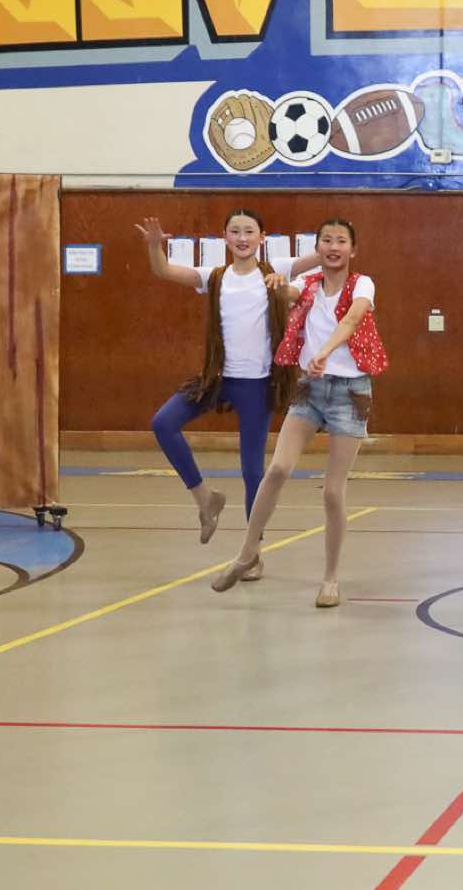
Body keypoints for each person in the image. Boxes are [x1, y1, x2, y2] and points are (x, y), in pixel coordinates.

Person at [212, 219, 386, 608]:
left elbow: (352, 319)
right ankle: (247, 553)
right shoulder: (307, 285)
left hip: (350, 393)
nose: (333, 247)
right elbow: (285, 291)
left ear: (353, 250)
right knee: (277, 469)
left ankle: (330, 579)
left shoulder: (362, 284)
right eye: (327, 240)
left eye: (341, 241)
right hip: (310, 389)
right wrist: (276, 285)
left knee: (333, 491)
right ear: (317, 248)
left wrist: (325, 351)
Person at [136, 211, 297, 560]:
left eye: (249, 231)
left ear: (262, 237)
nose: (242, 237)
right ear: (225, 237)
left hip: (257, 384)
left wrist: (329, 255)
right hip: (218, 378)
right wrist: (153, 246)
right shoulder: (215, 276)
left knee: (252, 471)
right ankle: (205, 499)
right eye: (235, 231)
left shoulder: (277, 269)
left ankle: (252, 553)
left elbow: (324, 262)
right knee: (163, 423)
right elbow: (164, 271)